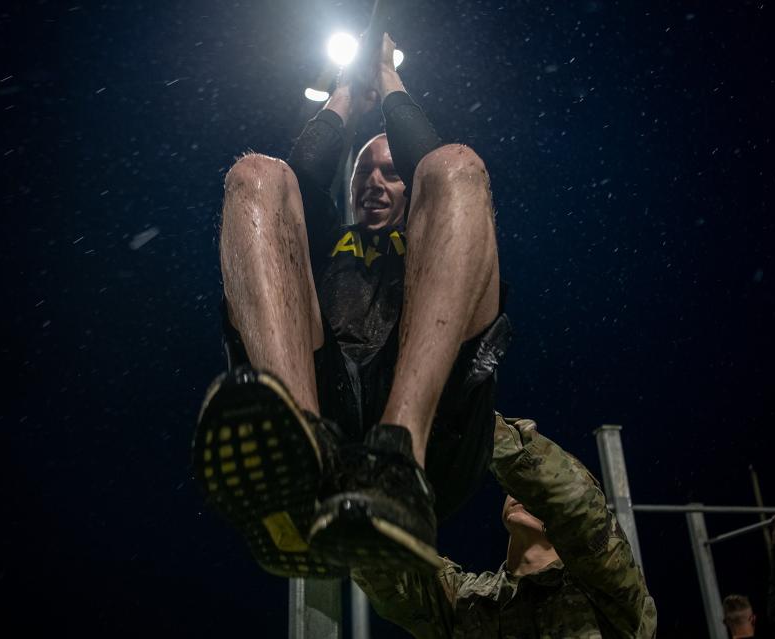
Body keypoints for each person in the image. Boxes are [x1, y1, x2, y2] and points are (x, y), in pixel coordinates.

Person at [192, 32, 511, 578]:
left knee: (457, 166)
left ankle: (396, 457)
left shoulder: (429, 229)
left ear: (412, 191)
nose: (376, 183)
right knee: (257, 175)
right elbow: (298, 179)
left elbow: (432, 167)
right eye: (364, 173)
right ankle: (302, 448)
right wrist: (345, 93)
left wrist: (387, 77)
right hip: (325, 401)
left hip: (433, 432)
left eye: (391, 173)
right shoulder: (326, 241)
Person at [352, 414, 657, 638]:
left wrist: (469, 418)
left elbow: (572, 502)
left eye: (533, 493)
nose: (520, 495)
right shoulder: (470, 601)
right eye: (518, 489)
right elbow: (389, 573)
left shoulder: (606, 587)